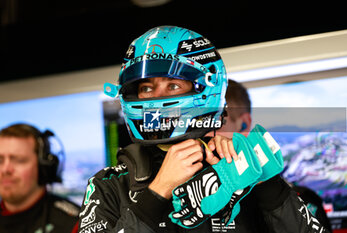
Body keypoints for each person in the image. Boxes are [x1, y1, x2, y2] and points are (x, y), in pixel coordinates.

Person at [78, 26, 331, 233]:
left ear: (206, 87)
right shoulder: (109, 185)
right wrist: (156, 194)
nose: (155, 98)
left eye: (173, 86)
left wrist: (266, 184)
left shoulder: (243, 169)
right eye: (146, 88)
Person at [214, 79, 332, 232]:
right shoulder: (183, 192)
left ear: (243, 124)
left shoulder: (299, 198)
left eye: (216, 121)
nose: (206, 135)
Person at [0, 123, 80, 233]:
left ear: (43, 168)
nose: (5, 169)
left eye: (18, 160)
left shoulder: (76, 225)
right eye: (0, 160)